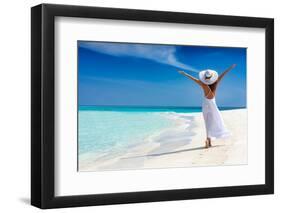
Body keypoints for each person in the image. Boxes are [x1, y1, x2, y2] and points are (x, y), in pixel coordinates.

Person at [178, 64, 236, 148]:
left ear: (205, 78)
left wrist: (185, 74)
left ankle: (208, 139)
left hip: (205, 104)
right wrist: (229, 68)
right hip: (212, 103)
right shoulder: (215, 83)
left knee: (207, 122)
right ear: (212, 77)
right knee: (215, 120)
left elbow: (194, 79)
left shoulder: (203, 85)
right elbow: (222, 75)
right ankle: (209, 140)